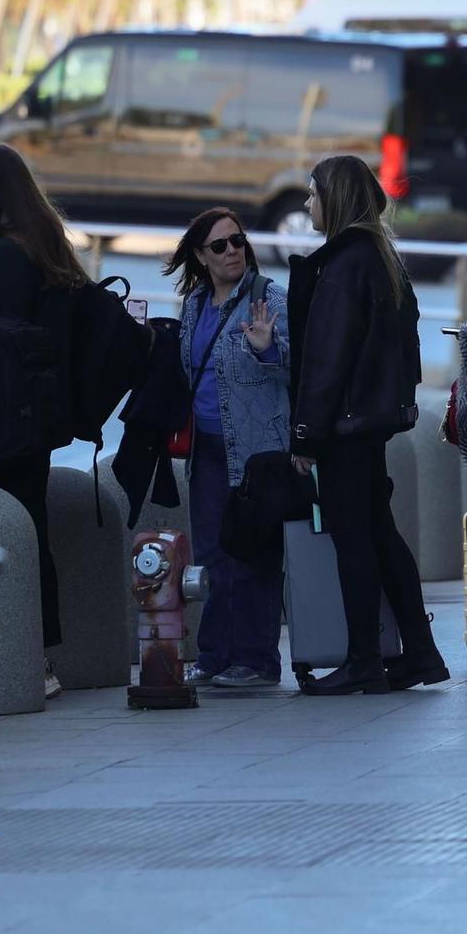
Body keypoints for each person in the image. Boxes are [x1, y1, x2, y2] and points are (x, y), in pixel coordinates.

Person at [286, 155, 444, 695]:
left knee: (353, 540)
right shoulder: (381, 257)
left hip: (344, 427)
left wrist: (305, 434)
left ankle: (362, 657)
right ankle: (419, 654)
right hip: (372, 422)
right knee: (380, 533)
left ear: (335, 199)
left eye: (312, 193)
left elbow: (325, 360)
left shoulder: (343, 265)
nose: (307, 203)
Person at [0, 142, 86, 698]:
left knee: (16, 534)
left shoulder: (7, 256)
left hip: (6, 421)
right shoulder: (34, 246)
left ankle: (32, 658)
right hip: (29, 420)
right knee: (29, 529)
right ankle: (40, 656)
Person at [165, 207, 290, 689]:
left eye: (237, 241)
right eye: (220, 245)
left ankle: (257, 660)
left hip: (257, 451)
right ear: (200, 256)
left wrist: (267, 348)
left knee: (254, 554)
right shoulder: (195, 302)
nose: (232, 251)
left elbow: (297, 366)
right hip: (207, 448)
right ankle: (215, 655)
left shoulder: (268, 297)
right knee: (214, 554)